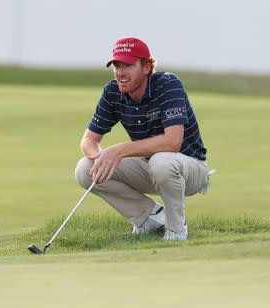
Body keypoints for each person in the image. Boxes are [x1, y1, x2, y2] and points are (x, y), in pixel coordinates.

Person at [75, 37, 210, 240]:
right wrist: (100, 157)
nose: (120, 72)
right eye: (117, 65)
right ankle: (149, 219)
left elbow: (172, 142)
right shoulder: (112, 92)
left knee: (162, 160)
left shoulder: (167, 84)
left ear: (146, 67)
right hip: (150, 167)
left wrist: (118, 150)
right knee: (86, 169)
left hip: (190, 168)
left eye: (128, 65)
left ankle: (176, 230)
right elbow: (89, 140)